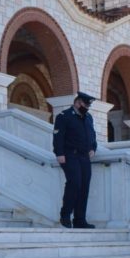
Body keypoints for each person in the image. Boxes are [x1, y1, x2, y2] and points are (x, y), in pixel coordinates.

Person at [53, 92, 97, 229]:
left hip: (85, 157)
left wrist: (93, 148)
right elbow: (58, 136)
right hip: (70, 155)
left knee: (84, 187)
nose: (87, 107)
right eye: (85, 104)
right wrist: (59, 153)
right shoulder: (64, 116)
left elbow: (92, 135)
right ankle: (65, 215)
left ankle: (80, 220)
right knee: (75, 183)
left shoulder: (88, 117)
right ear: (77, 102)